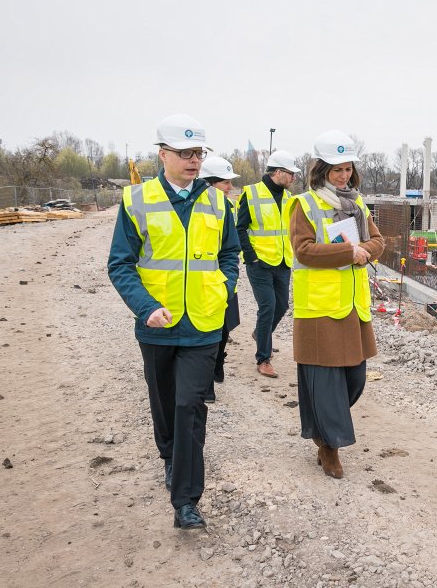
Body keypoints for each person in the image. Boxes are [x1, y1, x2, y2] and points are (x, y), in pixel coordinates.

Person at [107, 114, 240, 530]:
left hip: (203, 324)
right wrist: (145, 307)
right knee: (164, 403)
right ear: (162, 154)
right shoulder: (137, 200)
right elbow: (120, 264)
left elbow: (229, 254)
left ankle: (185, 500)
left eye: (198, 152)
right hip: (158, 326)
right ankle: (168, 455)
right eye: (184, 153)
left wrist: (223, 288)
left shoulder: (218, 202)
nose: (193, 160)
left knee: (191, 406)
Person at [288, 130, 384, 479]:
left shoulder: (357, 204)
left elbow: (378, 241)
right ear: (321, 170)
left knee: (354, 379)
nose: (343, 176)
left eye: (348, 169)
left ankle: (321, 429)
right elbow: (303, 250)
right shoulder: (304, 204)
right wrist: (348, 251)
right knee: (325, 382)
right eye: (336, 170)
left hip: (353, 307)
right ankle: (329, 446)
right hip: (319, 308)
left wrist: (364, 251)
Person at [236, 150, 299, 378]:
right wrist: (251, 256)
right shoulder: (251, 194)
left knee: (281, 306)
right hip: (259, 262)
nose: (294, 178)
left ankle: (260, 334)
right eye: (291, 174)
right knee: (268, 307)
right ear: (279, 172)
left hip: (282, 261)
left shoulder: (290, 199)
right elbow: (240, 228)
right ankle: (263, 358)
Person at [197, 155, 241, 402]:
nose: (230, 188)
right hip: (196, 284)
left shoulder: (225, 208)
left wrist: (228, 283)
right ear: (210, 183)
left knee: (223, 327)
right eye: (225, 183)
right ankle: (206, 380)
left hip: (221, 281)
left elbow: (229, 249)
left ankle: (217, 364)